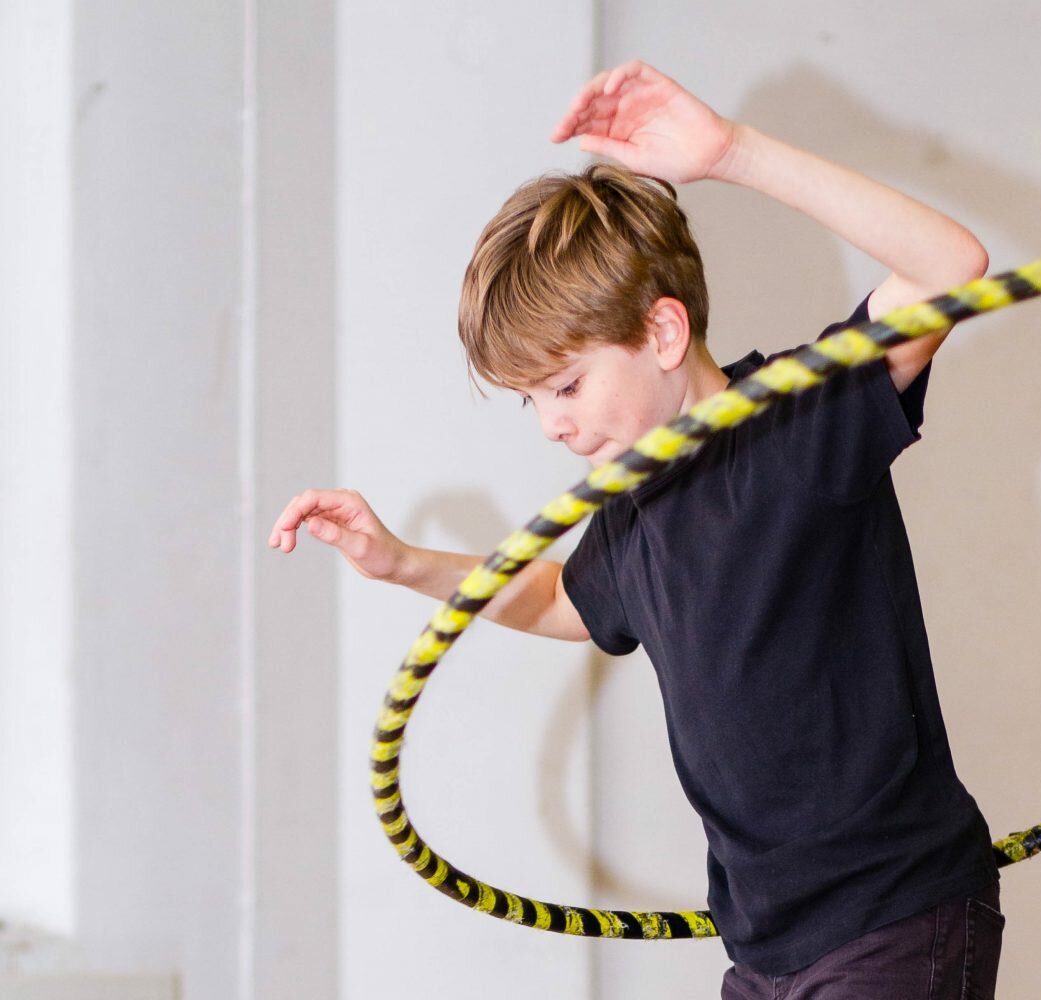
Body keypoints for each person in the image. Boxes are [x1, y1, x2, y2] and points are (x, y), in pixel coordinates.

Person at [270, 60, 1003, 999]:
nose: (553, 425)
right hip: (767, 947)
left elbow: (950, 267)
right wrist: (405, 564)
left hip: (891, 917)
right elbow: (559, 601)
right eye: (532, 401)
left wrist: (731, 152)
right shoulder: (632, 507)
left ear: (662, 334)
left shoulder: (796, 421)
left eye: (567, 385)